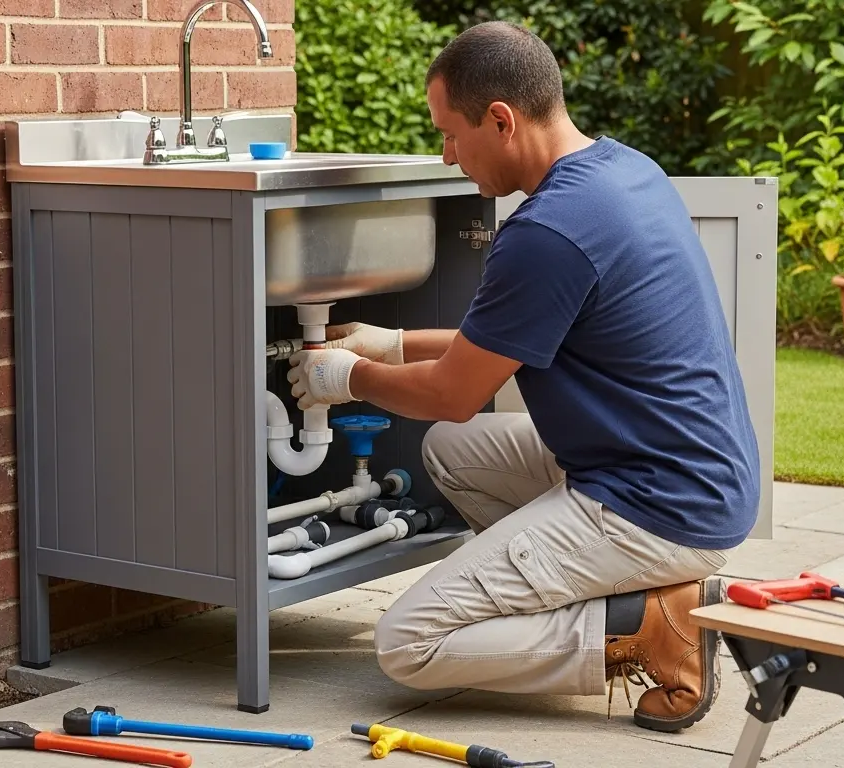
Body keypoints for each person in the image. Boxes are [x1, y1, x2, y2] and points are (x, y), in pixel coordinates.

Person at [284, 20, 761, 733]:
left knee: (406, 644)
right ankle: (582, 591)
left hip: (656, 502)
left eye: (451, 134)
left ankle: (645, 626)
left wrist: (348, 378)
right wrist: (394, 343)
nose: (447, 157)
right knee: (451, 452)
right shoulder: (622, 171)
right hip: (682, 469)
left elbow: (455, 392)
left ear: (501, 120)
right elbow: (501, 343)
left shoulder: (546, 232)